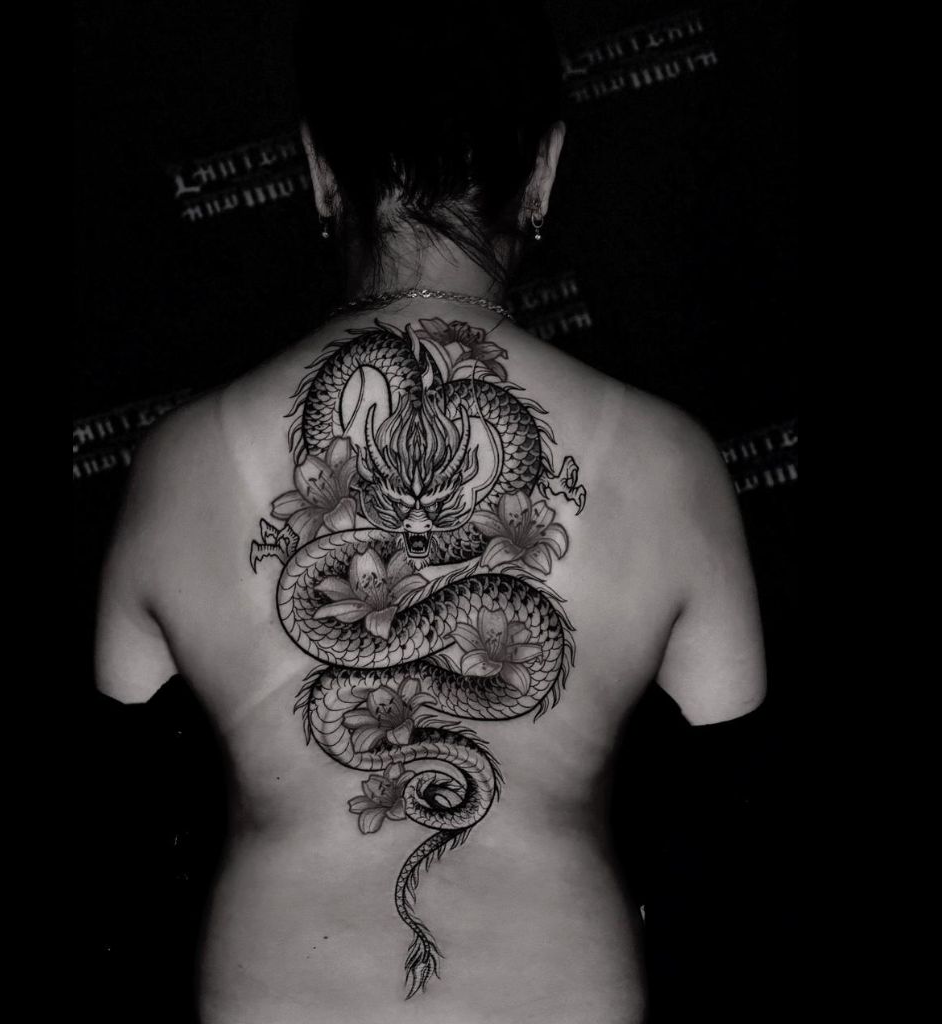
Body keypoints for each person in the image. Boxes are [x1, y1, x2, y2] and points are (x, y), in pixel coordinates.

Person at [94, 3, 767, 1022]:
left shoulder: (180, 465)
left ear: (319, 170)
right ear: (542, 169)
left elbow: (121, 834)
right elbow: (730, 844)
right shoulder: (670, 463)